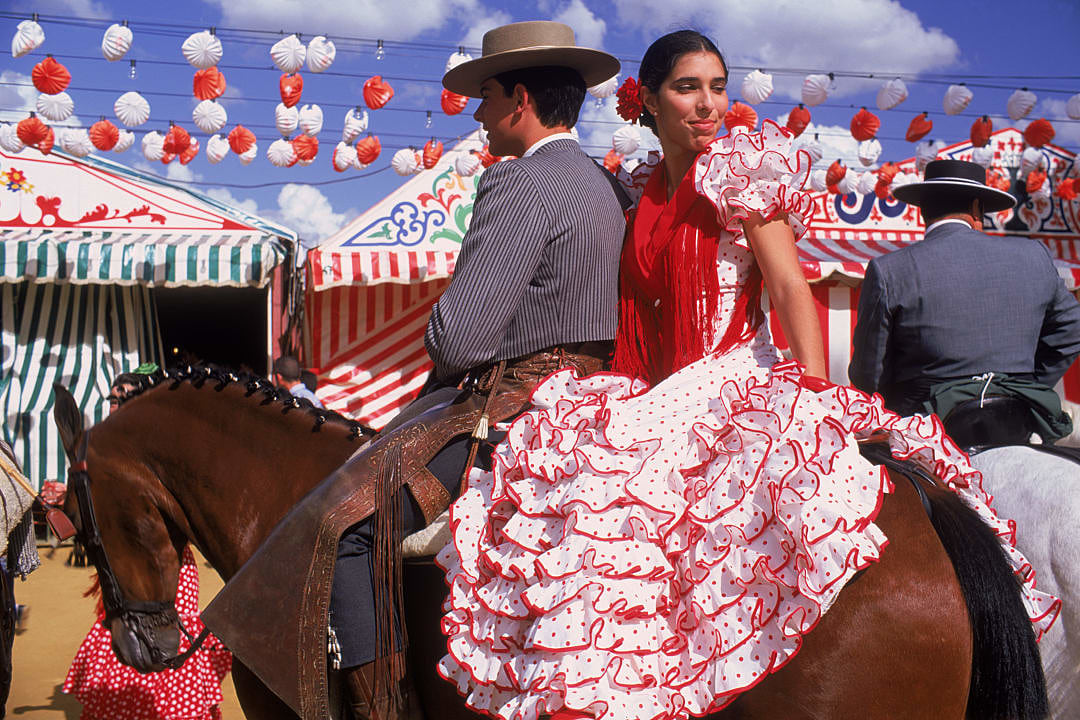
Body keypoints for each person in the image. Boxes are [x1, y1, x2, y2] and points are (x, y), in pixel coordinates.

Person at [435, 31, 1059, 720]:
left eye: (717, 86)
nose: (708, 104)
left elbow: (792, 289)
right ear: (646, 99)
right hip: (652, 391)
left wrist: (817, 395)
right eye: (687, 87)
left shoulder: (741, 168)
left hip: (734, 374)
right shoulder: (640, 190)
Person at [201, 20, 627, 719]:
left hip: (523, 407)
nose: (479, 114)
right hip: (599, 402)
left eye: (486, 97)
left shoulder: (518, 182)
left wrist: (446, 312)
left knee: (345, 526)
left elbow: (460, 340)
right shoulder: (604, 187)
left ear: (519, 100)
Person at [849, 159, 1080, 439]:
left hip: (925, 431)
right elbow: (1071, 333)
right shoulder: (1034, 255)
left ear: (923, 210)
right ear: (975, 207)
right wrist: (1024, 385)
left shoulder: (889, 270)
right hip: (1014, 422)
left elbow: (870, 373)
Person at [63, 369, 233, 720]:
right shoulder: (102, 450)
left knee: (165, 646)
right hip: (123, 566)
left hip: (165, 566)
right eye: (112, 398)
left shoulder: (160, 450)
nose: (116, 404)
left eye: (123, 397)